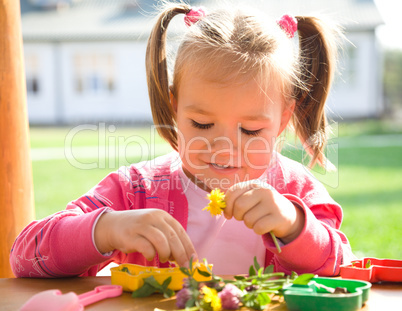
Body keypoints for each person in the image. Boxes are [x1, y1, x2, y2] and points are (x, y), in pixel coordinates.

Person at [10, 2, 354, 278]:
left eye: (250, 130)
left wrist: (294, 225)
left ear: (282, 119)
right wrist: (107, 228)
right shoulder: (137, 192)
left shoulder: (297, 193)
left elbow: (341, 266)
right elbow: (25, 257)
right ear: (174, 107)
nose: (223, 148)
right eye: (202, 123)